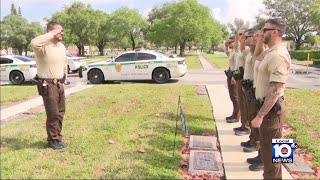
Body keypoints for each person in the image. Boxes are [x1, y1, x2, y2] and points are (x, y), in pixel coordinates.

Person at [252, 18, 291, 179]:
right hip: (270, 110)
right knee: (273, 155)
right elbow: (257, 56)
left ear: (275, 32)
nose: (261, 32)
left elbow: (276, 90)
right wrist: (261, 38)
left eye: (265, 30)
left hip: (271, 113)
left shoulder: (278, 55)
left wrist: (260, 116)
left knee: (272, 158)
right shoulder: (270, 51)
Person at [31, 22, 68, 150]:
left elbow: (64, 61)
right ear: (51, 32)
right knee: (53, 113)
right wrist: (52, 33)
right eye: (60, 31)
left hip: (59, 84)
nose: (62, 33)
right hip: (48, 84)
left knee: (61, 113)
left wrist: (64, 76)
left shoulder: (61, 46)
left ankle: (58, 137)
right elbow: (34, 42)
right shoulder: (42, 47)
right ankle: (52, 140)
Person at [233, 28, 250, 135]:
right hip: (239, 78)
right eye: (238, 34)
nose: (238, 36)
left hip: (245, 79)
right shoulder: (241, 48)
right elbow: (235, 49)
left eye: (241, 34)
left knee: (245, 104)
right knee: (241, 104)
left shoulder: (248, 49)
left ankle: (246, 126)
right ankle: (243, 125)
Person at [224, 37, 240, 123]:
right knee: (232, 96)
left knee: (235, 97)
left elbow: (237, 65)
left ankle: (236, 116)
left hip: (234, 76)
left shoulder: (237, 52)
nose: (229, 44)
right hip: (230, 75)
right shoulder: (233, 51)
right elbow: (227, 53)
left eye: (231, 42)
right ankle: (235, 114)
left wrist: (234, 77)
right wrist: (225, 46)